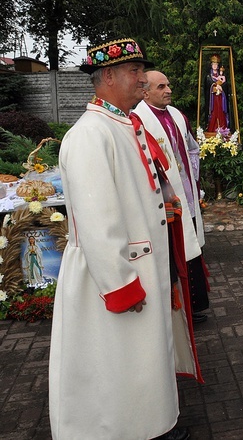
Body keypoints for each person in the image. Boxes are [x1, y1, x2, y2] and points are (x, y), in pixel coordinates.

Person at [49, 38, 197, 440]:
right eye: (134, 71)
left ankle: (152, 425)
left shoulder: (123, 124)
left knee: (141, 362)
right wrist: (121, 285)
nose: (143, 78)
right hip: (116, 275)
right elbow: (97, 223)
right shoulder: (89, 135)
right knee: (117, 365)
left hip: (140, 266)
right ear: (108, 77)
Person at [134, 70, 212, 324]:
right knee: (174, 250)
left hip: (185, 191)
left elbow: (191, 148)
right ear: (145, 92)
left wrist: (193, 180)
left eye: (168, 85)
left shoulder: (178, 115)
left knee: (192, 247)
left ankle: (195, 305)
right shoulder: (138, 120)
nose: (168, 90)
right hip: (165, 199)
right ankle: (178, 310)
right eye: (161, 87)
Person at [205, 54, 230, 132]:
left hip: (221, 98)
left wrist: (222, 88)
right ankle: (212, 129)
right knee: (213, 112)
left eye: (216, 64)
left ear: (218, 65)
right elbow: (206, 87)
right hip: (212, 98)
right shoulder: (209, 76)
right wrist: (213, 86)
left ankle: (223, 129)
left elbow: (226, 86)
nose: (215, 66)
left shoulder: (222, 76)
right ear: (211, 65)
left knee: (221, 111)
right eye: (213, 64)